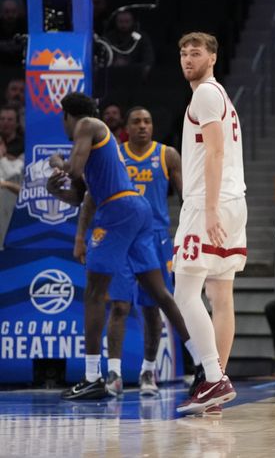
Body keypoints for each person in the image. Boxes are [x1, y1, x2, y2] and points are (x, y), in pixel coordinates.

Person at [45, 92, 194, 401]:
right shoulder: (101, 144)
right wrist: (55, 189)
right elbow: (82, 196)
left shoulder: (87, 124)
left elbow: (72, 170)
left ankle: (92, 377)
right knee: (156, 294)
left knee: (95, 294)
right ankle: (205, 363)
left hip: (119, 214)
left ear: (67, 116)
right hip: (135, 212)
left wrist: (57, 162)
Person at [73, 107, 183, 397]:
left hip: (155, 236)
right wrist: (80, 237)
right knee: (119, 305)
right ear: (127, 127)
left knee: (153, 307)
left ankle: (148, 370)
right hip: (119, 231)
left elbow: (187, 197)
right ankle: (115, 373)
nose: (142, 126)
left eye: (148, 121)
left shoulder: (167, 155)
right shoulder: (114, 153)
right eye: (136, 122)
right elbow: (90, 197)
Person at [172, 32, 247, 415]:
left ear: (213, 57)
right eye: (183, 53)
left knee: (184, 294)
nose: (188, 59)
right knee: (220, 297)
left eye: (195, 53)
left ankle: (214, 377)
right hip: (234, 200)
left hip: (208, 202)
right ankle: (215, 383)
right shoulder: (221, 97)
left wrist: (212, 208)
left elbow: (216, 151)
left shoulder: (205, 93)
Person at [104, 10, 156, 76]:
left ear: (133, 22)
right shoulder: (108, 38)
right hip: (112, 74)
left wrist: (129, 65)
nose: (123, 25)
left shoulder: (141, 38)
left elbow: (148, 61)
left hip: (135, 75)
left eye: (127, 21)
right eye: (120, 21)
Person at [0, 134, 22, 248]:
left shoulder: (18, 165)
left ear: (4, 146)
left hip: (11, 218)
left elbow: (23, 191)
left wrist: (2, 159)